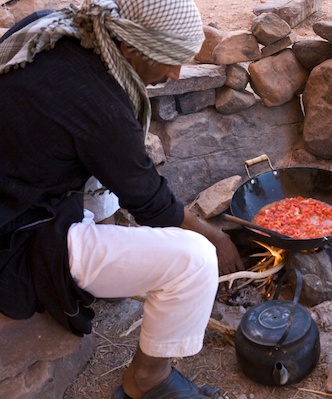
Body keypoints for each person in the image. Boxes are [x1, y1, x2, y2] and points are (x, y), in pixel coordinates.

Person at [0, 0, 244, 398]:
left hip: (16, 189)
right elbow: (151, 202)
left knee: (103, 190)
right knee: (193, 260)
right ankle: (148, 379)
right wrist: (215, 238)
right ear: (129, 46)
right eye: (167, 60)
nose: (174, 74)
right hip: (14, 235)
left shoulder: (61, 25)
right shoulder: (95, 100)